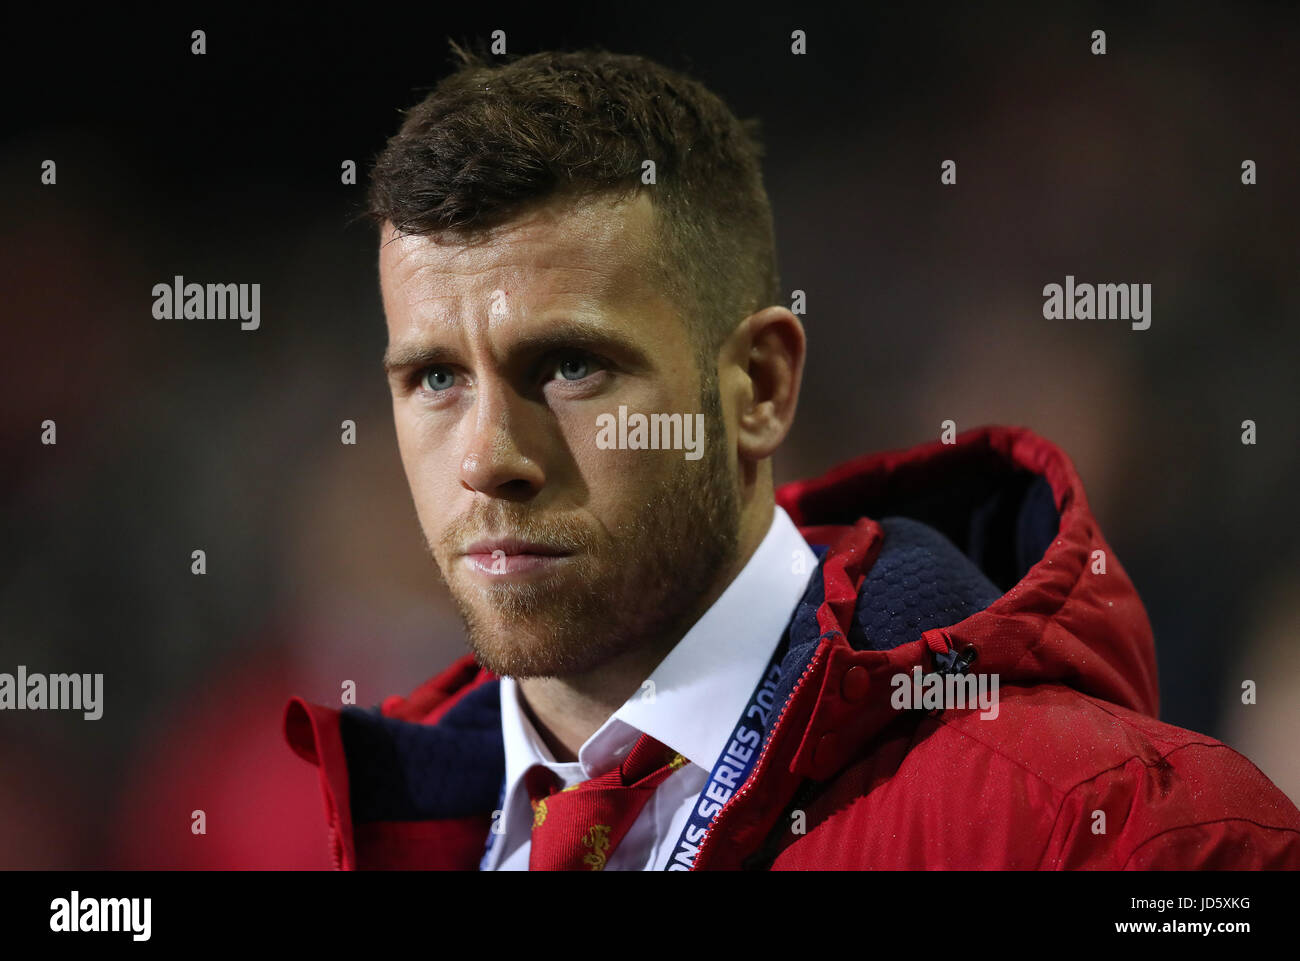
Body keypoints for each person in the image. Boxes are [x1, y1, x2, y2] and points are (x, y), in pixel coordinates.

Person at [284, 42, 1300, 870]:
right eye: (434, 379)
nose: (488, 457)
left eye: (570, 367)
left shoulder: (1121, 836)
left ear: (759, 388)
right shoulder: (348, 828)